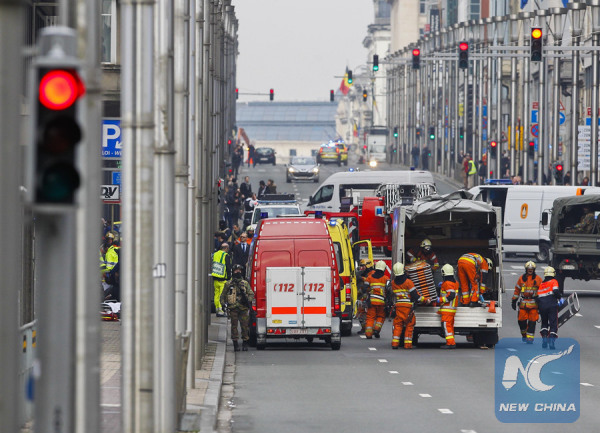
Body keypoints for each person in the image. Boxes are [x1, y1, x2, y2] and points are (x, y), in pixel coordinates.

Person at [220, 264, 255, 351]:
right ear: (233, 271)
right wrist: (223, 305)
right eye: (236, 270)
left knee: (244, 326)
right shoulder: (228, 284)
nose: (238, 272)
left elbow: (251, 294)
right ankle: (235, 343)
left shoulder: (245, 283)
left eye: (239, 270)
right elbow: (223, 295)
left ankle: (245, 343)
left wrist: (247, 300)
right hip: (233, 308)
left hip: (243, 308)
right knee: (234, 326)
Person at [390, 262, 424, 349]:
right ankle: (408, 344)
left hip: (398, 306)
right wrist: (425, 300)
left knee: (398, 325)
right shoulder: (409, 282)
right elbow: (415, 296)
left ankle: (395, 344)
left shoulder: (393, 283)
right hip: (408, 307)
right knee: (409, 324)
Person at [511, 261, 542, 344]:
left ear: (534, 270)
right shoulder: (521, 279)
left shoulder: (538, 279)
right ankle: (524, 335)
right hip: (523, 304)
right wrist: (514, 300)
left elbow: (542, 290)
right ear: (526, 269)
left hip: (534, 304)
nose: (530, 270)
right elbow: (517, 290)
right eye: (529, 269)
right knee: (521, 321)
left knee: (532, 322)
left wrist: (540, 300)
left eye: (531, 269)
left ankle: (530, 339)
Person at [364, 260, 390, 339]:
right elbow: (389, 290)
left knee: (370, 317)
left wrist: (366, 298)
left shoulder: (369, 277)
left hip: (371, 301)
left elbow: (364, 289)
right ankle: (376, 329)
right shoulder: (386, 278)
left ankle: (368, 334)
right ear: (384, 269)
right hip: (381, 302)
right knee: (381, 316)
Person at [537, 266, 561, 349]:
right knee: (553, 324)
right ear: (553, 274)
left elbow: (538, 297)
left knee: (544, 323)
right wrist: (560, 298)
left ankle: (544, 337)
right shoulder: (554, 281)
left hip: (542, 306)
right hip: (552, 306)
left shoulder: (541, 284)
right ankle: (551, 341)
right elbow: (555, 291)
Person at [437, 264, 459, 349]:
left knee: (446, 326)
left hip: (447, 310)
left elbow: (451, 296)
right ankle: (451, 342)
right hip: (452, 310)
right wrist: (442, 285)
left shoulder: (447, 283)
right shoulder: (455, 283)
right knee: (449, 326)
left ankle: (450, 343)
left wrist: (440, 300)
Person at [211, 243, 232, 317]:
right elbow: (228, 267)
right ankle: (221, 311)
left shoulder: (215, 254)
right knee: (221, 295)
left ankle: (217, 308)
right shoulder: (226, 255)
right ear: (226, 248)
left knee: (216, 294)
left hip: (215, 278)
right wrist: (229, 277)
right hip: (223, 279)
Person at [355, 258, 374, 334]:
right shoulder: (363, 274)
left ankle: (368, 329)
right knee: (361, 314)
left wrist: (363, 279)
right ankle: (364, 328)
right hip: (363, 297)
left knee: (367, 314)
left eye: (363, 266)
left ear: (368, 266)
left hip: (369, 297)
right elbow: (356, 275)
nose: (361, 268)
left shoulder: (372, 274)